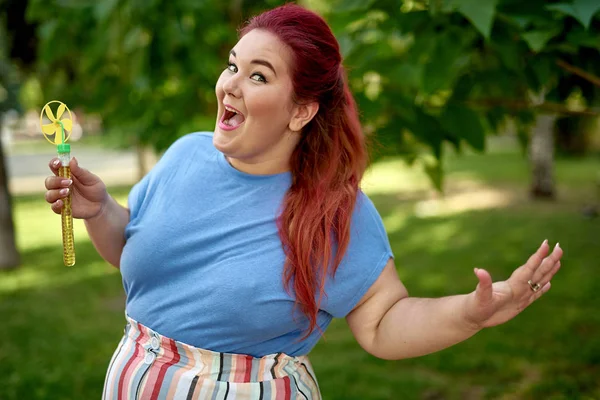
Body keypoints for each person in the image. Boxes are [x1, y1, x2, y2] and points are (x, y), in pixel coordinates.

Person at [43, 4, 563, 400]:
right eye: (232, 66)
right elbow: (140, 259)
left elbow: (383, 324)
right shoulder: (184, 156)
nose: (230, 86)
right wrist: (101, 212)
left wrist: (470, 313)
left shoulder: (337, 209)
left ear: (300, 111)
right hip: (136, 380)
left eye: (258, 75)